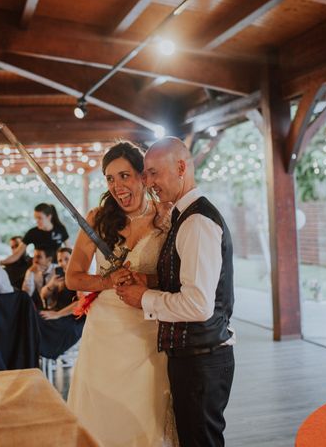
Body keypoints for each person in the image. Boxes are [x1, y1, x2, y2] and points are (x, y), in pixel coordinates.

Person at [117, 137, 236, 447]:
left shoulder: (197, 222)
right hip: (194, 358)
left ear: (182, 167)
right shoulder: (184, 217)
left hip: (203, 360)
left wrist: (143, 299)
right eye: (146, 174)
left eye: (154, 172)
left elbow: (198, 306)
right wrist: (149, 283)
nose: (149, 182)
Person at [65, 141, 176, 447]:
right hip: (104, 336)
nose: (117, 186)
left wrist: (146, 279)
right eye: (110, 179)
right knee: (102, 420)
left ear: (143, 176)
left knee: (145, 417)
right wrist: (107, 280)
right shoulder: (97, 219)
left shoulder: (165, 219)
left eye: (124, 176)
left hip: (148, 333)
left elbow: (177, 277)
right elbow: (72, 278)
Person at [2, 204, 69, 268]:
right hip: (38, 269)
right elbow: (16, 255)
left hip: (56, 267)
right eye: (36, 218)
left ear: (49, 217)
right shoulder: (32, 233)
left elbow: (69, 250)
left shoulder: (60, 229)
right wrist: (0, 262)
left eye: (40, 218)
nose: (37, 221)